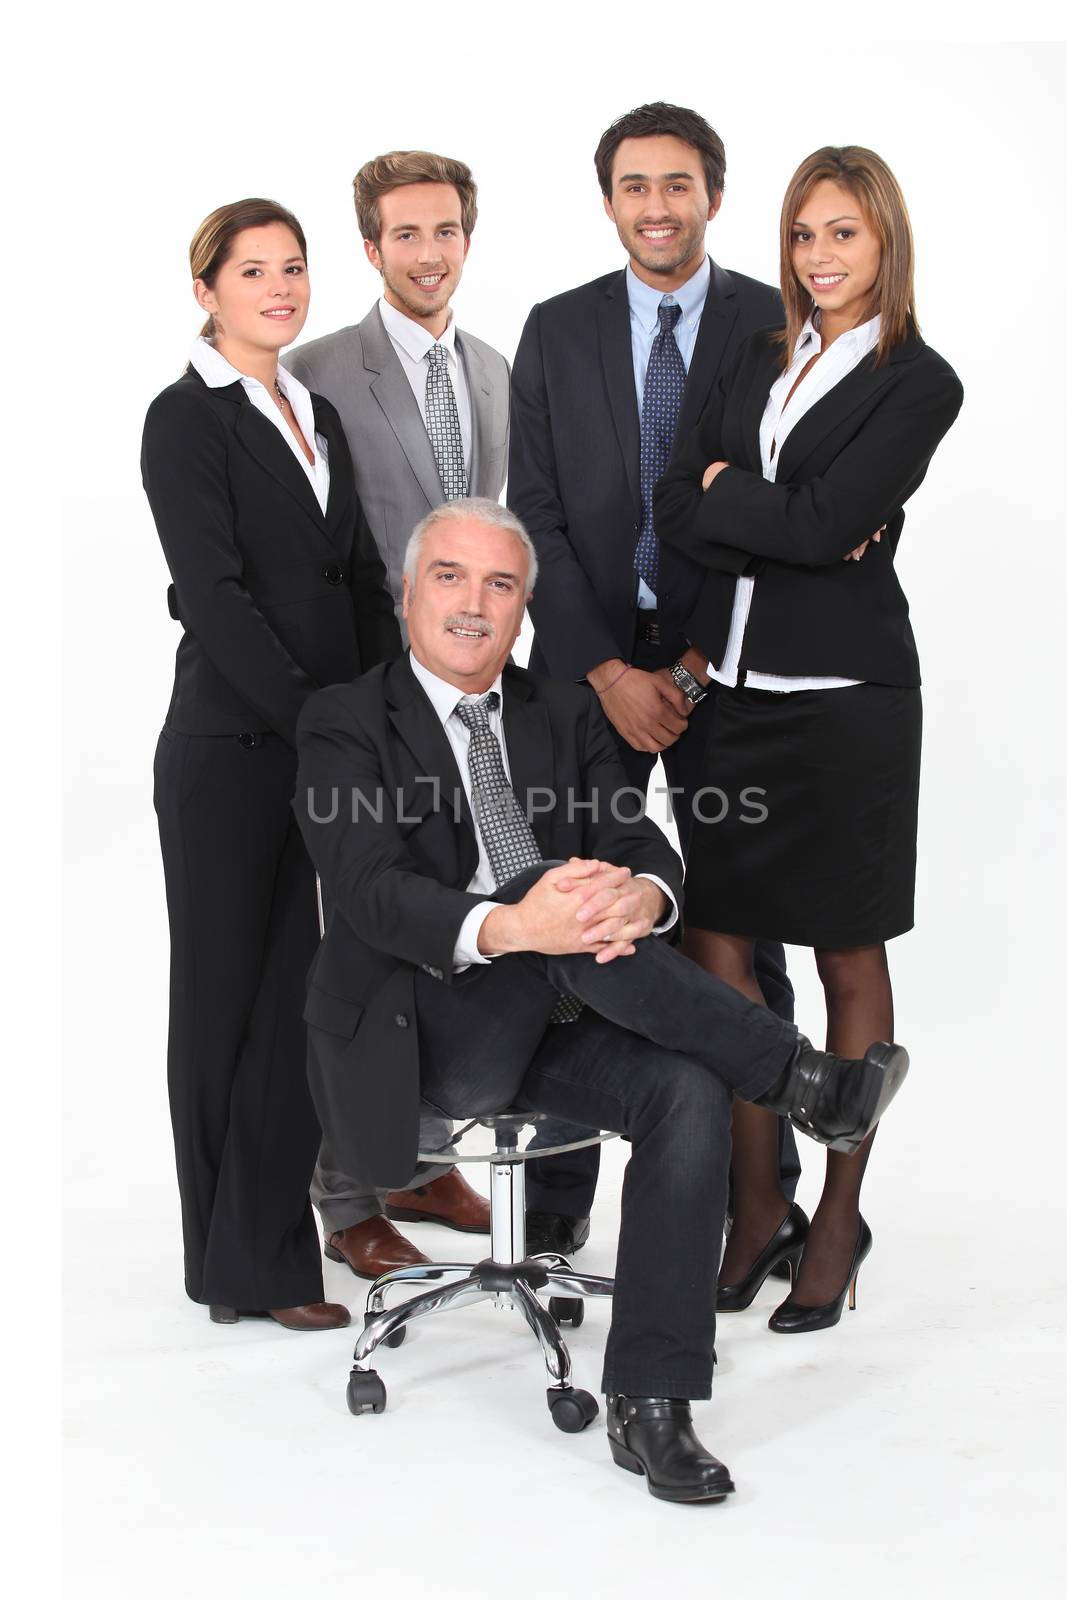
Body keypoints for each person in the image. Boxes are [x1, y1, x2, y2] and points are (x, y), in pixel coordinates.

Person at [293, 497, 910, 1501]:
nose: (472, 605)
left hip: (567, 1007)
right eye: (448, 576)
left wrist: (641, 892)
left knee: (681, 1083)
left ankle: (651, 1404)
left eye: (499, 585)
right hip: (425, 1029)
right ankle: (800, 1079)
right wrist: (515, 923)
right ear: (407, 594)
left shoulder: (561, 712)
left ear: (523, 608)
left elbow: (642, 847)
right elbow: (368, 891)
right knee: (553, 902)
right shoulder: (344, 720)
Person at [654, 146, 964, 1332]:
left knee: (843, 956)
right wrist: (774, 517)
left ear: (883, 241)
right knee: (719, 956)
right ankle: (752, 1204)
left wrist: (782, 513)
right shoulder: (755, 354)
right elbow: (684, 508)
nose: (819, 258)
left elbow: (833, 518)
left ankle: (834, 1217)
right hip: (728, 695)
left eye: (842, 234)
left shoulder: (917, 381)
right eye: (800, 235)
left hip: (843, 704)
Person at [508, 101, 798, 1257]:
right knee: (573, 916)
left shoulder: (771, 323)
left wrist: (680, 662)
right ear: (609, 200)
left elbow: (775, 509)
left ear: (713, 197)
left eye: (677, 185)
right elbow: (534, 512)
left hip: (722, 664)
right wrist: (603, 669)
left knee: (737, 933)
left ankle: (757, 1196)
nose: (656, 207)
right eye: (634, 186)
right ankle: (558, 1217)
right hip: (583, 667)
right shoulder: (556, 326)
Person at [142, 198, 401, 1329]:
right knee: (220, 1002)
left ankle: (262, 1246)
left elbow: (356, 578)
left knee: (301, 995)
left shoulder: (317, 410)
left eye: (292, 268)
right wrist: (317, 723)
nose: (279, 289)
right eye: (252, 271)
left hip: (320, 746)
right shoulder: (184, 419)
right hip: (231, 750)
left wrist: (397, 705)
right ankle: (233, 1264)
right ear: (207, 292)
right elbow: (214, 599)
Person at [284, 151, 511, 1278]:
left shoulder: (495, 369)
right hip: (370, 702)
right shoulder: (319, 369)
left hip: (471, 701)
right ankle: (343, 1188)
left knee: (452, 929)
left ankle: (419, 1159)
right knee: (365, 940)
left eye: (447, 232)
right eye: (406, 235)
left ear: (469, 238)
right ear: (370, 250)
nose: (429, 254)